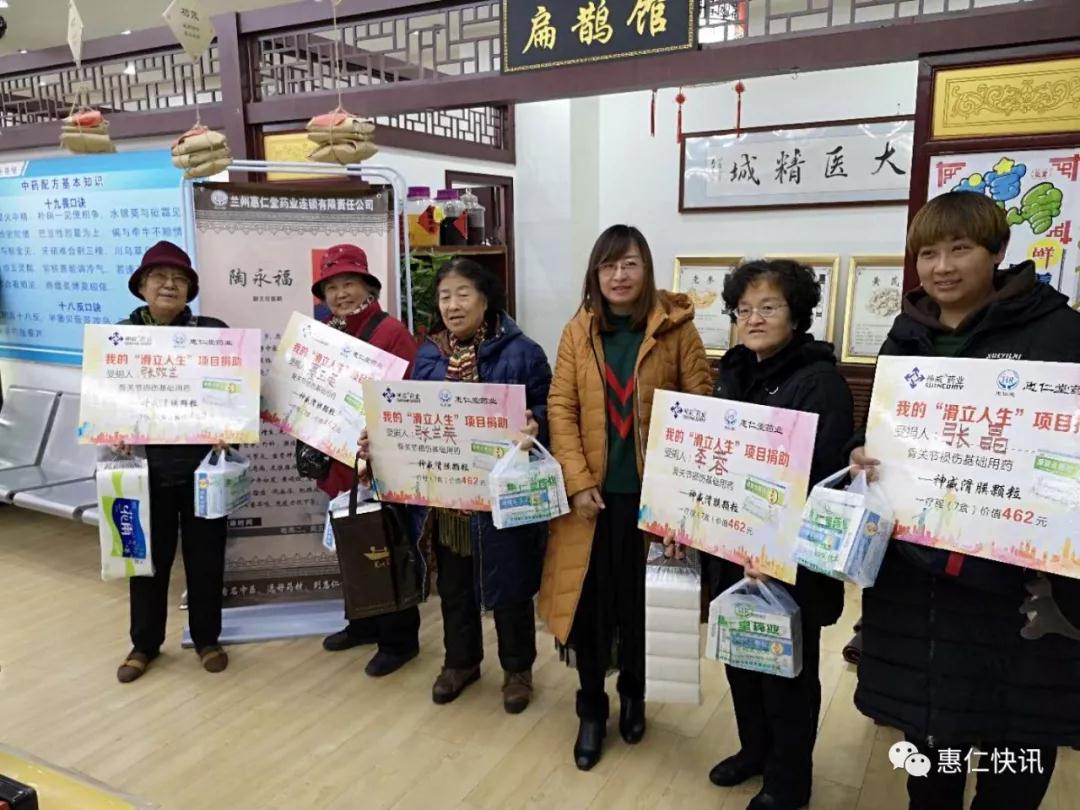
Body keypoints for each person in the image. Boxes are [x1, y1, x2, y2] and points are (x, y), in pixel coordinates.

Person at [850, 192, 1080, 810]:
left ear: (998, 252)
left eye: (961, 249)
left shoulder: (1059, 332)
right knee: (930, 738)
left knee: (1018, 742)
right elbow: (879, 431)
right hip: (917, 577)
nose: (942, 267)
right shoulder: (906, 335)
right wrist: (861, 453)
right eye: (928, 253)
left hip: (1017, 582)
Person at [538, 224, 713, 771]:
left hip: (651, 504)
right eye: (609, 265)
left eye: (630, 264)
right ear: (595, 273)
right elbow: (561, 407)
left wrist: (675, 498)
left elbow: (701, 408)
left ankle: (635, 694)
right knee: (591, 609)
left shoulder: (676, 330)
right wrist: (577, 481)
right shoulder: (577, 332)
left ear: (647, 269)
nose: (619, 275)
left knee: (640, 607)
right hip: (591, 505)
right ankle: (592, 709)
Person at [685, 259, 853, 810]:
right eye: (744, 309)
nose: (753, 318)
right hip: (734, 545)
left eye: (768, 307)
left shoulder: (819, 381)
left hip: (788, 558)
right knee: (741, 657)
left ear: (797, 315)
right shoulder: (735, 372)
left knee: (787, 673)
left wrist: (771, 548)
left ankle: (789, 780)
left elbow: (821, 480)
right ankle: (754, 751)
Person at [364, 257, 551, 713]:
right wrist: (380, 439)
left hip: (502, 496)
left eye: (463, 294)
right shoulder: (428, 354)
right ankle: (461, 662)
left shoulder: (523, 352)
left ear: (486, 300)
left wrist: (537, 425)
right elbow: (410, 415)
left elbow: (550, 407)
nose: (452, 305)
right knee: (454, 584)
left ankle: (517, 669)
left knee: (510, 584)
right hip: (446, 498)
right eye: (445, 296)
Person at [113, 241, 232, 683]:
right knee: (146, 559)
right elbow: (108, 400)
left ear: (190, 290)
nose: (169, 285)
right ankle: (144, 644)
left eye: (179, 279)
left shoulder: (212, 333)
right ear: (141, 287)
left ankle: (207, 639)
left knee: (206, 559)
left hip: (204, 470)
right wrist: (113, 430)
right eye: (159, 277)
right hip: (145, 470)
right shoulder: (120, 337)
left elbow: (235, 392)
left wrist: (230, 424)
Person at [305, 243, 422, 678]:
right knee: (352, 542)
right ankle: (362, 623)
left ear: (368, 287)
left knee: (385, 547)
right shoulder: (324, 333)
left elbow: (407, 397)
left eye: (348, 283)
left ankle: (399, 639)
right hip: (339, 457)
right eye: (331, 287)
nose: (340, 294)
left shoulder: (391, 332)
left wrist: (379, 441)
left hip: (379, 458)